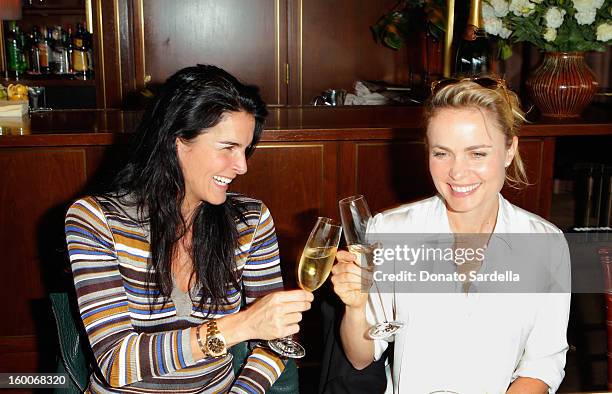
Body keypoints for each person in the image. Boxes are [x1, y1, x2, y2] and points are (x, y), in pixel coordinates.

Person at [64, 65, 313, 393]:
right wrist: (238, 327)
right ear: (177, 141)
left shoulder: (250, 222)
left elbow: (274, 342)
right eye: (228, 147)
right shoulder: (95, 220)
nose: (242, 166)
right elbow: (116, 363)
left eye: (245, 149)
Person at [331, 77, 571, 393]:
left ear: (510, 149)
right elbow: (361, 358)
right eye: (442, 153)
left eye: (477, 154)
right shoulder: (390, 231)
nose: (457, 172)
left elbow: (542, 366)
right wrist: (355, 307)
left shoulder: (547, 244)